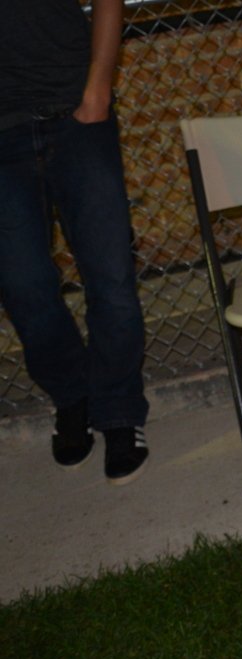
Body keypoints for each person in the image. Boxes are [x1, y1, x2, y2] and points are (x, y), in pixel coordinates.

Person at [0, 0, 149, 484]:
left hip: (75, 112)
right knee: (23, 287)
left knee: (111, 278)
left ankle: (119, 411)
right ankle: (73, 397)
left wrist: (98, 89)